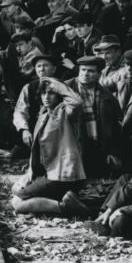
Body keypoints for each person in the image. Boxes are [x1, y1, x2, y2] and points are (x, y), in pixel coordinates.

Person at [11, 76, 86, 214]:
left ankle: (66, 208)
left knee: (19, 203)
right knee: (16, 193)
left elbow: (76, 102)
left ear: (59, 95)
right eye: (43, 93)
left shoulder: (66, 112)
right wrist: (30, 175)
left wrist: (58, 85)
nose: (46, 97)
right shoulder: (43, 115)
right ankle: (65, 201)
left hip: (64, 176)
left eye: (51, 93)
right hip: (49, 174)